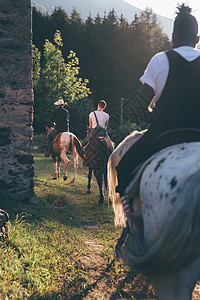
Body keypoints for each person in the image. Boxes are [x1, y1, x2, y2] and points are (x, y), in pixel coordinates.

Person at [116, 4, 200, 218]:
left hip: (163, 136)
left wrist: (153, 116)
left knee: (123, 169)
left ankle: (133, 225)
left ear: (172, 37)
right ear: (197, 39)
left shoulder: (160, 60)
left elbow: (138, 107)